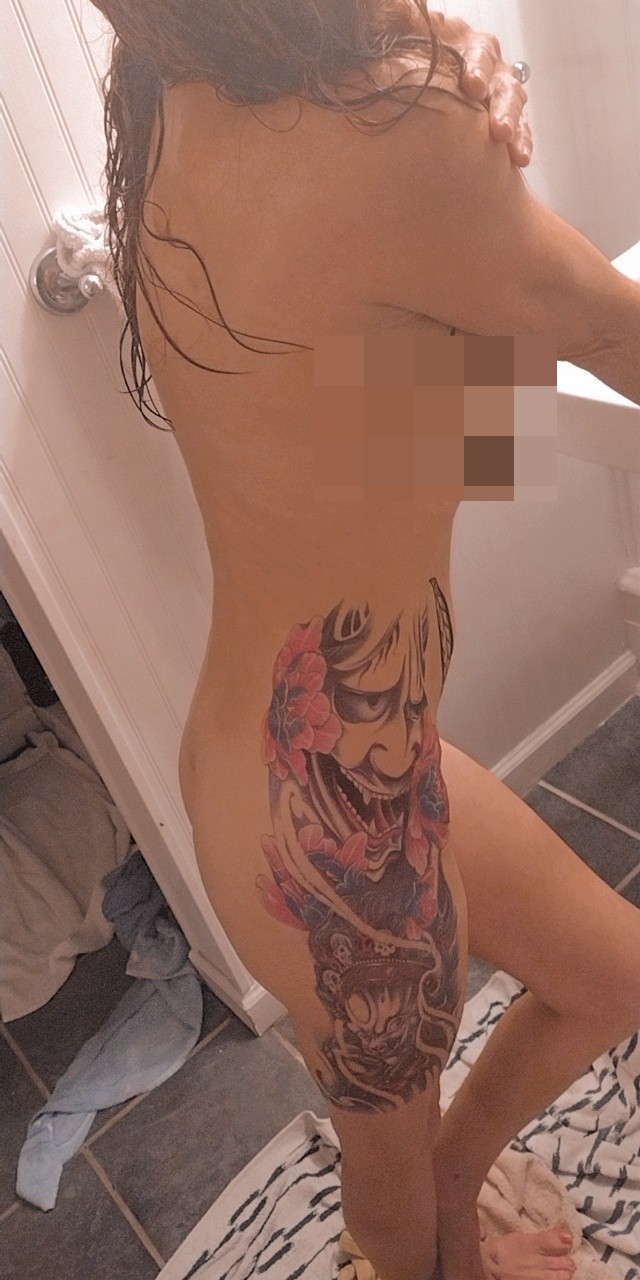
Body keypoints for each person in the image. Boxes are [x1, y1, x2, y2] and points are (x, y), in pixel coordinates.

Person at [90, 4, 640, 1277]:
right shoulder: (380, 127)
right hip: (325, 831)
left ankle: (455, 1174)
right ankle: (435, 1248)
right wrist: (443, 107)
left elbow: (418, 372)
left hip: (326, 759)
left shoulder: (172, 78)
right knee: (385, 1209)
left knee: (614, 976)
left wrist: (450, 66)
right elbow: (616, 341)